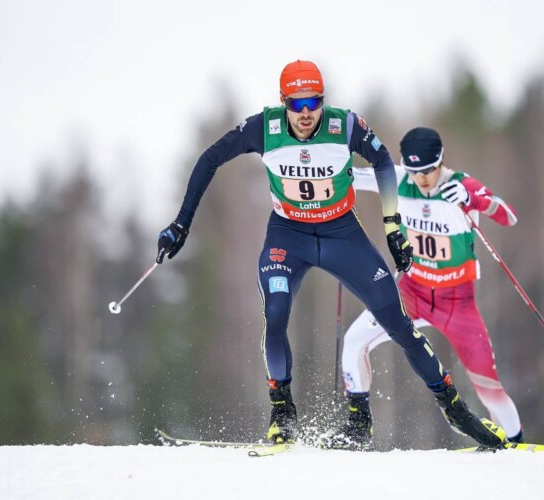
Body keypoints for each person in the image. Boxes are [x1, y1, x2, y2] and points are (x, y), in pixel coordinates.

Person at [156, 61, 506, 450]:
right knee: (275, 314)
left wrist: (393, 227)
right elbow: (209, 159)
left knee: (398, 324)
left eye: (314, 102)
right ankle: (282, 415)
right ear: (282, 101)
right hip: (288, 236)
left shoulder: (345, 126)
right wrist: (182, 224)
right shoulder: (263, 128)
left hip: (342, 235)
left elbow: (384, 162)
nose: (306, 113)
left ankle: (456, 411)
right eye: (297, 103)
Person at [325, 127, 524, 449]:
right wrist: (333, 158)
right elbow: (344, 175)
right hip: (411, 294)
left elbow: (508, 216)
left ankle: (517, 442)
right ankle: (359, 426)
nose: (421, 179)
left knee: (488, 384)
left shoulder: (460, 185)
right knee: (353, 340)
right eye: (415, 171)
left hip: (456, 301)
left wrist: (473, 200)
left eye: (428, 171)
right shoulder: (399, 178)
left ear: (441, 161)